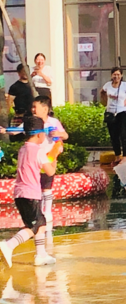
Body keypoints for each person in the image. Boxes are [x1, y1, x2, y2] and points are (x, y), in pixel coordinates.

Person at [0, 116, 62, 267]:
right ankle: (9, 245)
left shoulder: (23, 149)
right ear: (40, 135)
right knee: (36, 225)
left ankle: (41, 255)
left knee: (39, 223)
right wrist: (55, 153)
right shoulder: (38, 151)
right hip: (30, 193)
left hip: (20, 193)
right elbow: (50, 172)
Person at [30, 96, 67, 227]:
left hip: (48, 157)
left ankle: (47, 211)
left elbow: (65, 135)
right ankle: (38, 211)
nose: (33, 110)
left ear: (45, 109)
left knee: (47, 184)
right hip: (35, 157)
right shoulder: (32, 122)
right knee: (36, 185)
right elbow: (18, 130)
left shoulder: (53, 122)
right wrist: (6, 130)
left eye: (36, 107)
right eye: (32, 107)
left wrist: (59, 134)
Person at [100, 68, 126, 164]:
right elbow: (102, 92)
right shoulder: (108, 85)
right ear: (111, 75)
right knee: (114, 136)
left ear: (121, 75)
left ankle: (125, 156)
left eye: (118, 74)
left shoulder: (125, 86)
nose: (116, 76)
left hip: (121, 112)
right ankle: (117, 155)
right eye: (114, 74)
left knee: (124, 134)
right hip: (110, 113)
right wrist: (105, 102)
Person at [8, 64, 34, 133]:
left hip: (32, 115)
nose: (25, 73)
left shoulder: (32, 85)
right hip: (20, 115)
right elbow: (9, 101)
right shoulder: (15, 86)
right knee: (18, 135)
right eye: (23, 71)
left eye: (27, 71)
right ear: (19, 73)